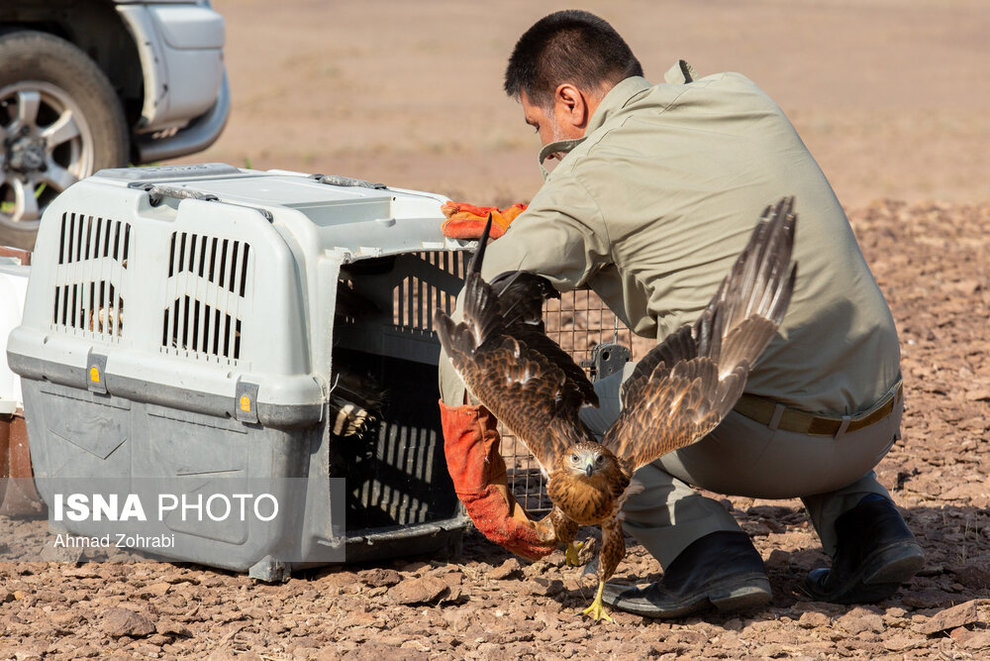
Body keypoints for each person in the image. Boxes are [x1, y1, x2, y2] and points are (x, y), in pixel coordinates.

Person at [437, 9, 923, 618]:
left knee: (592, 419)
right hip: (878, 412)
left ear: (570, 103)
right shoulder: (741, 95)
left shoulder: (587, 176)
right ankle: (868, 529)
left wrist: (472, 465)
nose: (544, 145)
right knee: (795, 346)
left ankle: (706, 554)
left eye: (538, 126)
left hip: (766, 445)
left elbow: (475, 315)